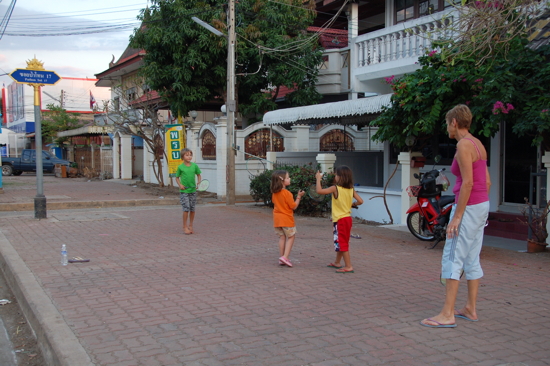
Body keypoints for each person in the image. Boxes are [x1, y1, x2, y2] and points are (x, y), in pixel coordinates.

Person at [421, 104, 491, 328]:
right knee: (471, 256)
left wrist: (458, 215)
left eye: (446, 123)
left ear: (454, 122)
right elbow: (486, 182)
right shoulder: (478, 144)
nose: (446, 128)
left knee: (452, 255)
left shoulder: (463, 145)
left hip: (469, 207)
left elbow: (468, 182)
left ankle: (447, 313)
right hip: (481, 205)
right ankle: (470, 308)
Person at [315, 166, 364, 273]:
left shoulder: (335, 188)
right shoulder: (351, 189)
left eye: (337, 175)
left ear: (341, 177)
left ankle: (348, 266)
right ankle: (337, 262)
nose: (335, 177)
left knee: (342, 243)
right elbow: (361, 201)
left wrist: (318, 178)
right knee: (342, 241)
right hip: (347, 219)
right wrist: (351, 204)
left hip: (340, 220)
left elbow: (319, 191)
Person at [271, 170, 305, 267]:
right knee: (291, 236)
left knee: (282, 237)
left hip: (277, 219)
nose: (289, 179)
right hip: (286, 219)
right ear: (282, 180)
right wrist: (299, 196)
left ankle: (282, 257)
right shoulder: (287, 193)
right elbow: (293, 206)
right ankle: (285, 257)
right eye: (287, 177)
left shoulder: (274, 193)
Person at [175, 148, 202, 235]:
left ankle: (191, 225)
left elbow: (198, 175)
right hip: (184, 191)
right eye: (187, 155)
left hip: (193, 190)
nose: (189, 157)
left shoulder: (194, 166)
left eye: (190, 155)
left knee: (192, 209)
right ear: (182, 157)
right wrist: (180, 185)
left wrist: (199, 182)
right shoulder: (180, 167)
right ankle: (184, 226)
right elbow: (177, 177)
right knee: (186, 208)